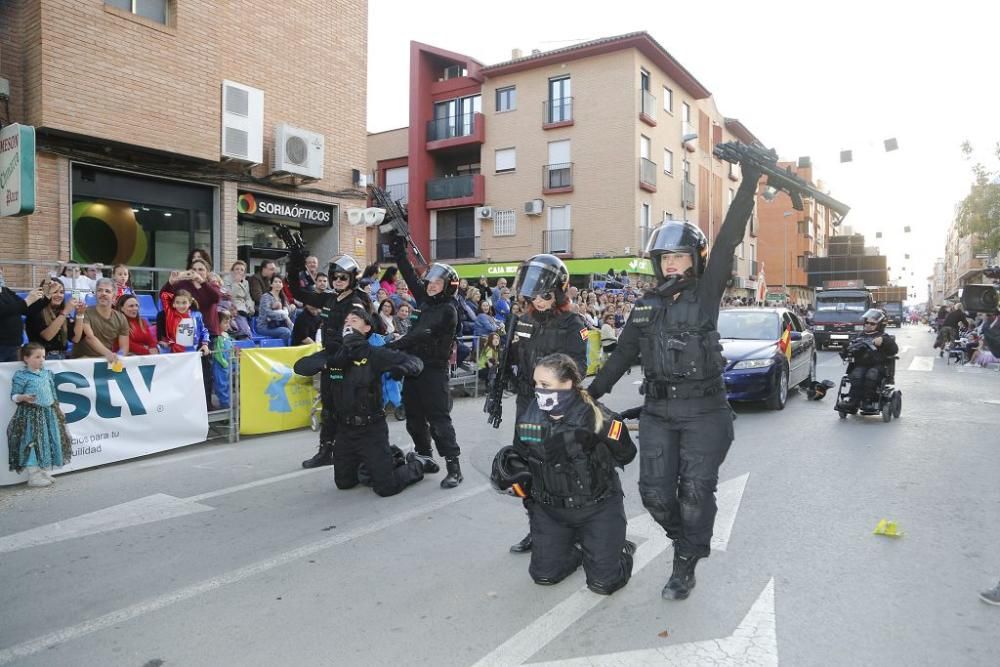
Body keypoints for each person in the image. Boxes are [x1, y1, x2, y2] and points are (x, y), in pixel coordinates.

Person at [587, 174, 759, 601]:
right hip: (659, 412)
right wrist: (590, 394)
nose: (669, 265)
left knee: (696, 493)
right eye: (664, 257)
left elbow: (730, 237)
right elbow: (623, 354)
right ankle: (687, 542)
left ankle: (686, 559)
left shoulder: (706, 293)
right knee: (654, 495)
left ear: (695, 261)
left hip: (705, 411)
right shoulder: (646, 306)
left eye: (679, 257)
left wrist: (750, 180)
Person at [500, 353, 636, 594]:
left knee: (603, 584)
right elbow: (520, 455)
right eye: (536, 384)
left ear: (568, 384)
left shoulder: (597, 417)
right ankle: (581, 548)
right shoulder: (529, 416)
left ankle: (616, 552)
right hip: (550, 510)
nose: (538, 391)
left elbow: (627, 454)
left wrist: (591, 443)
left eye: (545, 385)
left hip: (597, 507)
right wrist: (509, 469)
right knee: (543, 576)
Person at [293, 308, 428, 497]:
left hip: (371, 429)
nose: (348, 323)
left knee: (386, 488)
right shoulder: (335, 355)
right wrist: (328, 364)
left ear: (366, 327)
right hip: (345, 431)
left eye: (354, 320)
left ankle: (417, 465)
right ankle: (381, 460)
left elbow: (415, 362)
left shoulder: (374, 354)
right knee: (345, 483)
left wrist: (402, 369)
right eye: (346, 320)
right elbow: (300, 367)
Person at [505, 254, 589, 554]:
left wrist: (554, 381)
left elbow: (579, 366)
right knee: (524, 469)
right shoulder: (524, 321)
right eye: (534, 295)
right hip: (527, 404)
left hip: (556, 406)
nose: (538, 302)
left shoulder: (572, 323)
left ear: (558, 293)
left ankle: (573, 530)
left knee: (559, 472)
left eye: (545, 295)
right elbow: (516, 358)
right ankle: (536, 528)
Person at [285, 241, 374, 469]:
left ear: (352, 279)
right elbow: (296, 291)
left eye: (343, 278)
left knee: (350, 408)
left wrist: (340, 357)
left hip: (348, 363)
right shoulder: (329, 299)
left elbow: (359, 336)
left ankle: (358, 452)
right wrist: (295, 264)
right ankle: (326, 450)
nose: (338, 281)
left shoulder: (356, 302)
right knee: (330, 406)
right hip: (330, 362)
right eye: (335, 277)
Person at [386, 234, 464, 488]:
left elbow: (419, 333)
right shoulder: (426, 301)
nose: (431, 285)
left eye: (438, 283)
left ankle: (454, 467)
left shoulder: (447, 310)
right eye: (431, 281)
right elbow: (409, 275)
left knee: (439, 420)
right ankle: (425, 456)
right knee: (414, 418)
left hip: (434, 371)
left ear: (448, 286)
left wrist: (391, 347)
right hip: (414, 369)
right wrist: (398, 251)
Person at [6, 343, 72, 488]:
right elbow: (14, 396)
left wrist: (58, 407)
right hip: (32, 414)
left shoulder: (46, 374)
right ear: (26, 358)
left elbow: (53, 393)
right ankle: (33, 475)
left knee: (47, 441)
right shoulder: (21, 376)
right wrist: (23, 397)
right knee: (32, 443)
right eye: (37, 357)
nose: (41, 360)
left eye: (43, 356)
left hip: (48, 413)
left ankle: (43, 470)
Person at [839, 309, 899, 411]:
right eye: (867, 322)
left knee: (871, 374)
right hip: (860, 365)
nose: (868, 325)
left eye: (872, 323)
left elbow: (894, 349)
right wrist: (847, 348)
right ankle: (853, 401)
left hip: (878, 366)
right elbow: (846, 350)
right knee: (856, 375)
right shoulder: (858, 336)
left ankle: (868, 401)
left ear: (879, 325)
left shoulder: (883, 337)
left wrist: (883, 341)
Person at [161, 258, 224, 338]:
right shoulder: (184, 284)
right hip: (188, 331)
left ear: (207, 272)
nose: (197, 272)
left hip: (209, 332)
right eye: (194, 269)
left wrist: (201, 282)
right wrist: (170, 282)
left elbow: (216, 298)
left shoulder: (211, 286)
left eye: (201, 269)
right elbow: (164, 296)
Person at [71, 278, 128, 363]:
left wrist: (119, 356)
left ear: (114, 297)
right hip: (83, 361)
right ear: (95, 294)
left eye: (107, 291)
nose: (103, 293)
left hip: (105, 360)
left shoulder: (121, 318)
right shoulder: (84, 312)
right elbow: (89, 338)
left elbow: (124, 347)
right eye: (100, 290)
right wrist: (109, 354)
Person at [26, 279, 75, 359]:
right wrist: (65, 312)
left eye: (62, 292)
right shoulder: (35, 310)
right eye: (55, 292)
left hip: (62, 358)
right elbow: (47, 336)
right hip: (42, 359)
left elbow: (75, 338)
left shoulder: (61, 311)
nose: (59, 295)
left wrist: (80, 315)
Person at [255, 275, 293, 346]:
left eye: (280, 282)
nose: (278, 284)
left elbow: (288, 311)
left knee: (297, 331)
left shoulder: (282, 297)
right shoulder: (266, 297)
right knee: (286, 332)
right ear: (271, 284)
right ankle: (283, 351)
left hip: (279, 324)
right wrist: (283, 314)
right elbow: (268, 313)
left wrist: (290, 308)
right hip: (265, 326)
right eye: (275, 282)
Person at [225, 260, 255, 339]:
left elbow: (247, 297)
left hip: (244, 309)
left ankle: (245, 335)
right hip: (233, 307)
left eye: (242, 270)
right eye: (237, 269)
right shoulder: (227, 280)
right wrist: (235, 282)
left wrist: (250, 306)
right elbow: (229, 295)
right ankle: (246, 337)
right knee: (245, 332)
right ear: (232, 271)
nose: (239, 271)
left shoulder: (246, 282)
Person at [212, 311, 234, 409]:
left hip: (228, 365)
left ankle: (228, 406)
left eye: (228, 322)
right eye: (225, 323)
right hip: (220, 366)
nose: (227, 325)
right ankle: (225, 408)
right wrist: (224, 363)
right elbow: (218, 353)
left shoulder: (227, 336)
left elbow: (231, 349)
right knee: (222, 387)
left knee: (228, 386)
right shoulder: (218, 337)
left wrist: (233, 361)